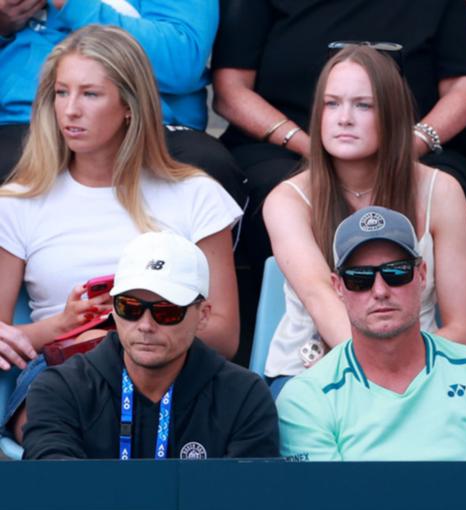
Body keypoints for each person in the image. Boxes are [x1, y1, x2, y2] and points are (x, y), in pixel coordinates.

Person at [0, 25, 242, 443]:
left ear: (129, 105)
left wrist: (129, 326)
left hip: (175, 366)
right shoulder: (18, 202)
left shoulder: (196, 195)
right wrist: (65, 325)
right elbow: (3, 338)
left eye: (90, 94)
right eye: (61, 93)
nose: (70, 110)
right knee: (67, 412)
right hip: (63, 372)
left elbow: (224, 335)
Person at [260, 46, 466, 394]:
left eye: (363, 105)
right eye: (332, 103)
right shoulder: (287, 200)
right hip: (312, 374)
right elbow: (322, 297)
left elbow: (464, 329)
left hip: (425, 374)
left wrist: (403, 373)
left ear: (392, 114)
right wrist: (378, 372)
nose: (344, 118)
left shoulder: (441, 191)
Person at [212, 0, 466, 270]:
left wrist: (405, 147)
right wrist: (314, 148)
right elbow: (231, 90)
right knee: (277, 189)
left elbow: (463, 87)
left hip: (415, 143)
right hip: (285, 145)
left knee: (439, 189)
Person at [276, 208, 466, 461]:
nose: (380, 290)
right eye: (359, 278)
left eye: (396, 272)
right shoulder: (306, 398)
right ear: (338, 287)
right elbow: (325, 500)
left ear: (421, 276)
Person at [23, 232, 279, 459]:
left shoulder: (244, 396)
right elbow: (54, 494)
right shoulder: (60, 388)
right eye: (130, 308)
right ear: (113, 309)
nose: (145, 325)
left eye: (167, 312)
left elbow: (244, 504)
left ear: (203, 315)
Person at [0, 0, 248, 206]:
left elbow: (181, 63)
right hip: (24, 118)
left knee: (207, 166)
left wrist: (73, 4)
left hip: (147, 121)